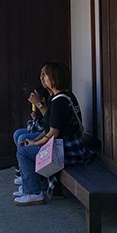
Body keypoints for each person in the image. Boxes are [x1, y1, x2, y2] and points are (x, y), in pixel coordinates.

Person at [14, 61, 91, 206]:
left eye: (45, 75)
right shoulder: (63, 96)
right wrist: (34, 141)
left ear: (54, 79)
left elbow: (53, 133)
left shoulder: (59, 101)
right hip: (67, 146)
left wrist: (35, 143)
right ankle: (29, 184)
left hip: (67, 151)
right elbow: (47, 129)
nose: (42, 78)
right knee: (24, 143)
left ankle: (32, 192)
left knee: (23, 151)